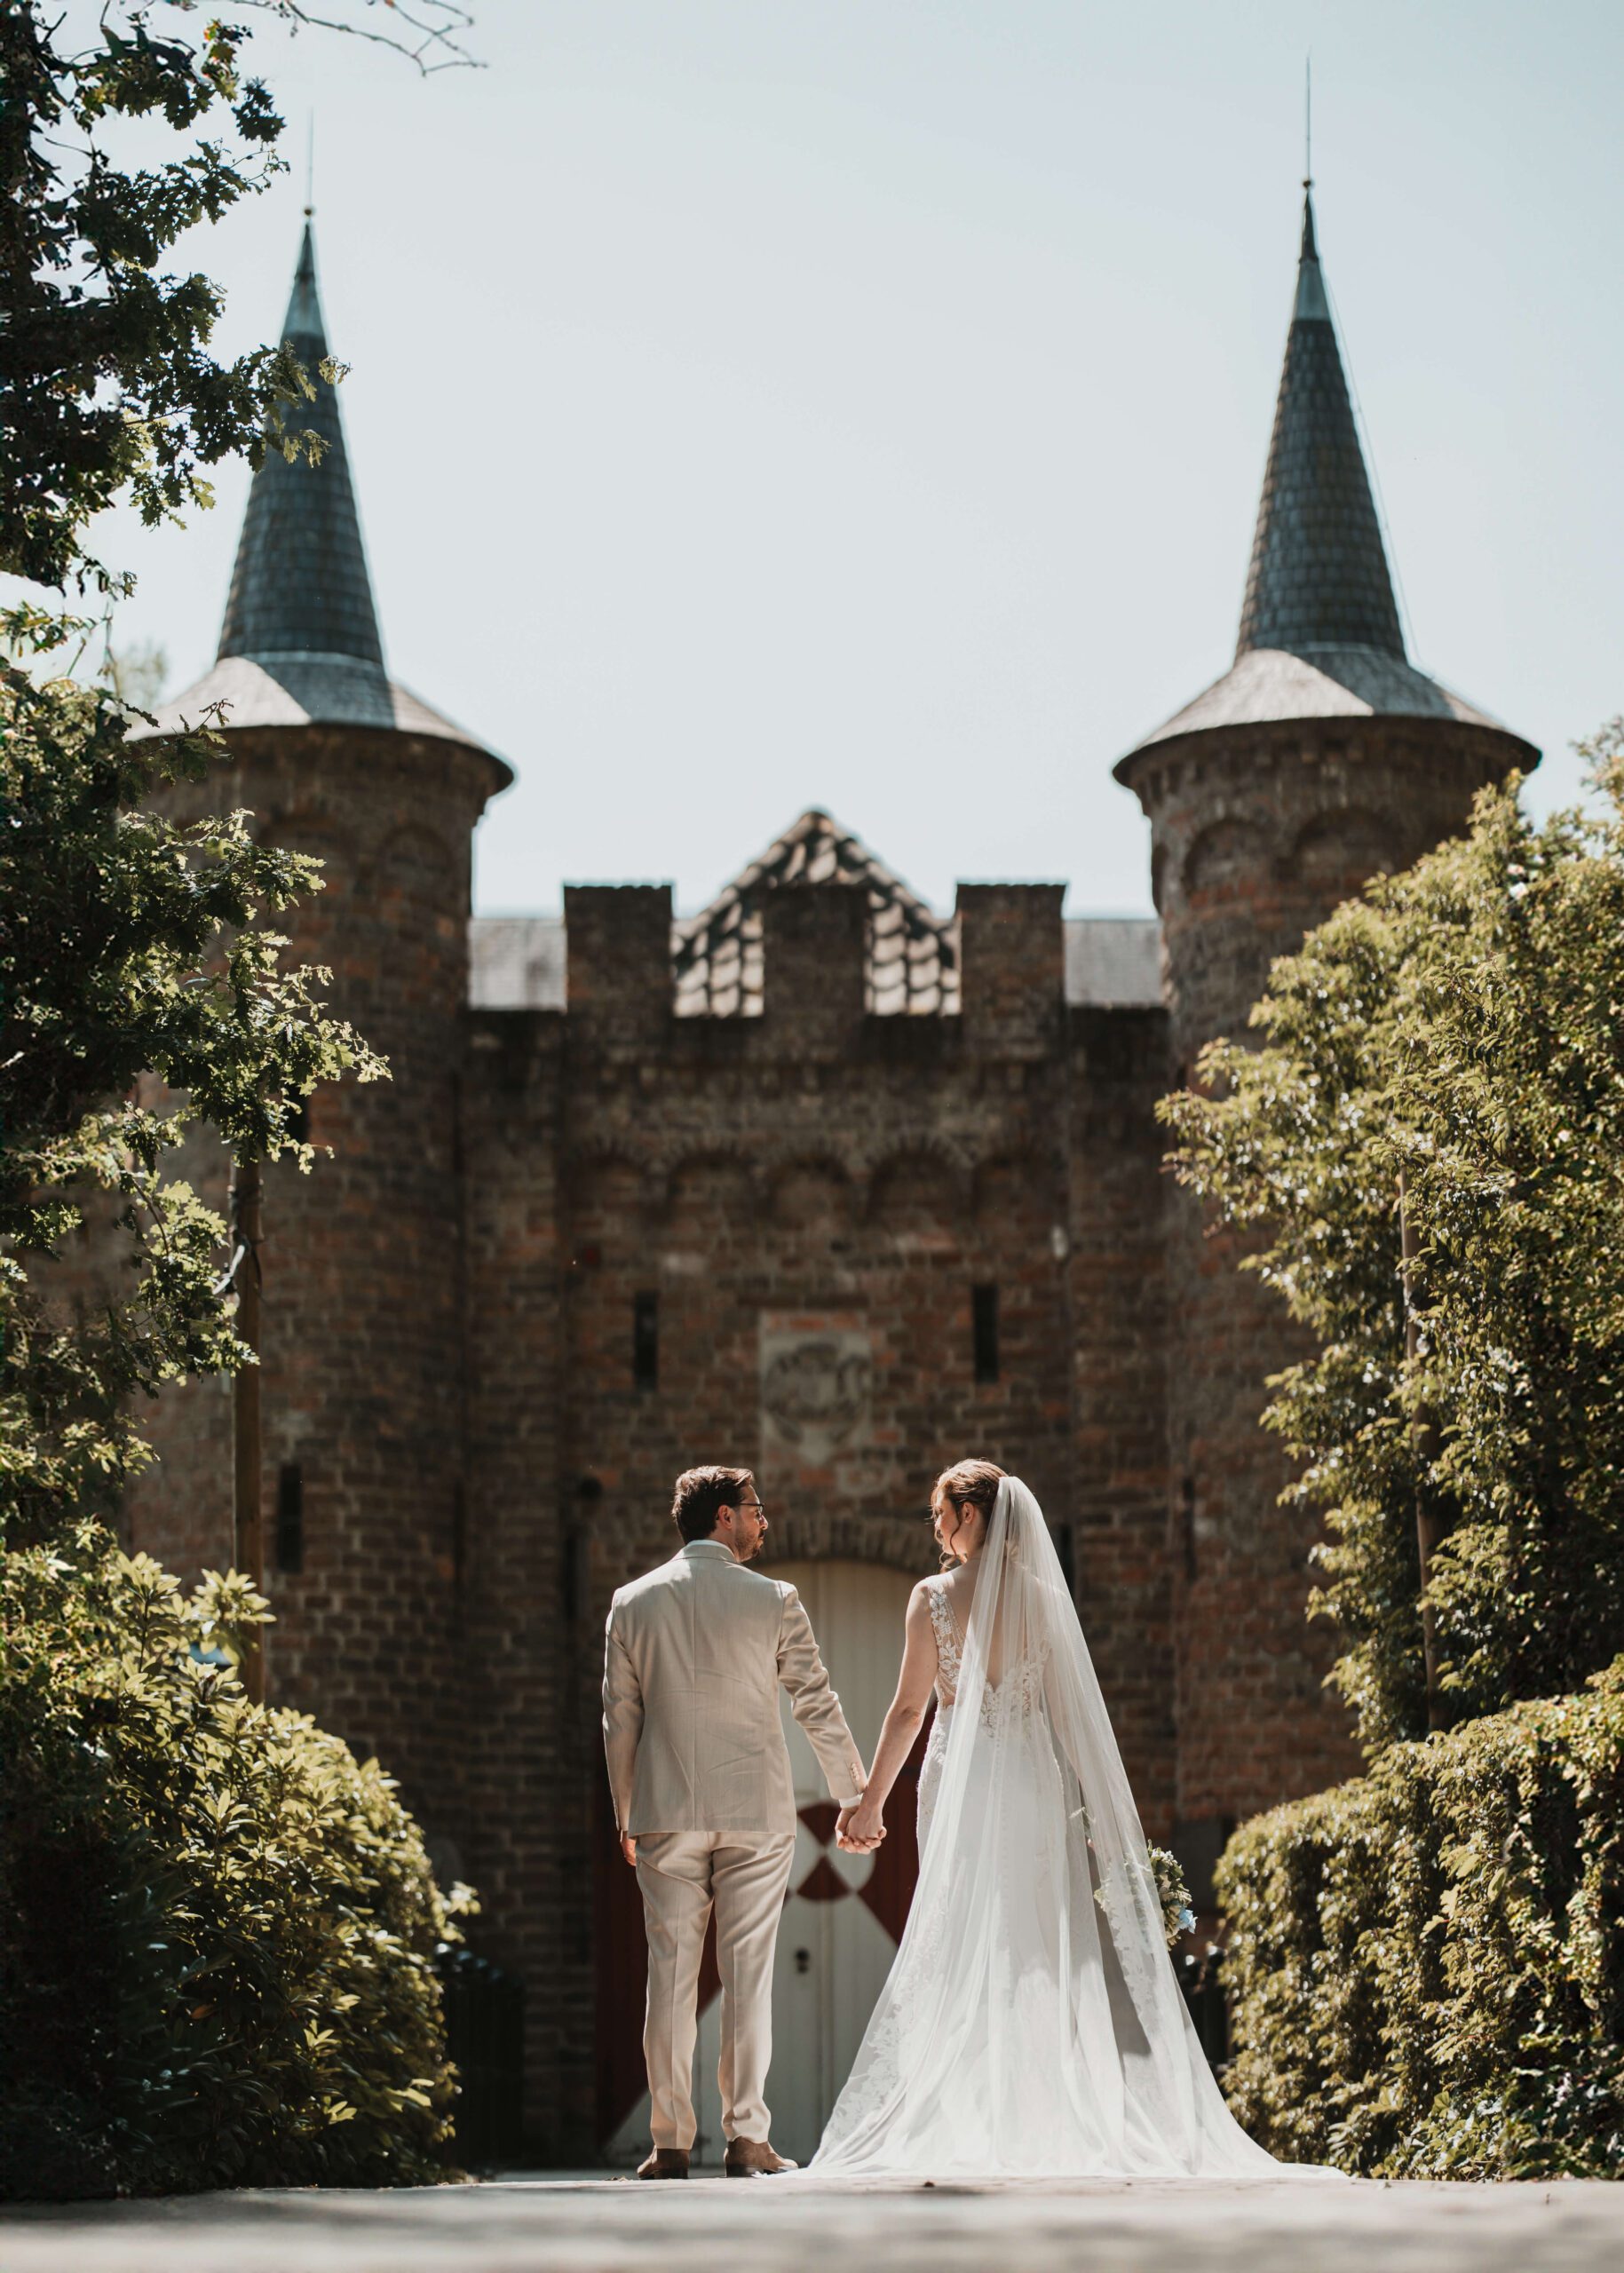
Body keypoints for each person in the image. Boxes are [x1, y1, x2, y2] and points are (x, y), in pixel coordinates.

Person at [811, 1460, 1333, 2180]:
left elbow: (908, 1709)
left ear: (969, 1514)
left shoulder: (931, 1597)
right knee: (1035, 1945)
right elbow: (1068, 1720)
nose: (934, 1528)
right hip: (1031, 1784)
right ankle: (1037, 2114)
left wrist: (871, 1802)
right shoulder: (1042, 1602)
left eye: (939, 1514)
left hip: (960, 1785)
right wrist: (1101, 1815)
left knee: (961, 1934)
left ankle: (973, 2115)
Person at [603, 1464, 867, 2179]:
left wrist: (625, 1811)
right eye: (754, 1509)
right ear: (723, 1515)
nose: (763, 1521)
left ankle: (669, 2143)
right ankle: (748, 2140)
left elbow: (619, 1721)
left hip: (664, 1813)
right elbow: (815, 1699)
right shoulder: (774, 1599)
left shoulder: (630, 1603)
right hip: (755, 1811)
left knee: (670, 1975)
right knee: (748, 1976)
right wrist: (853, 1793)